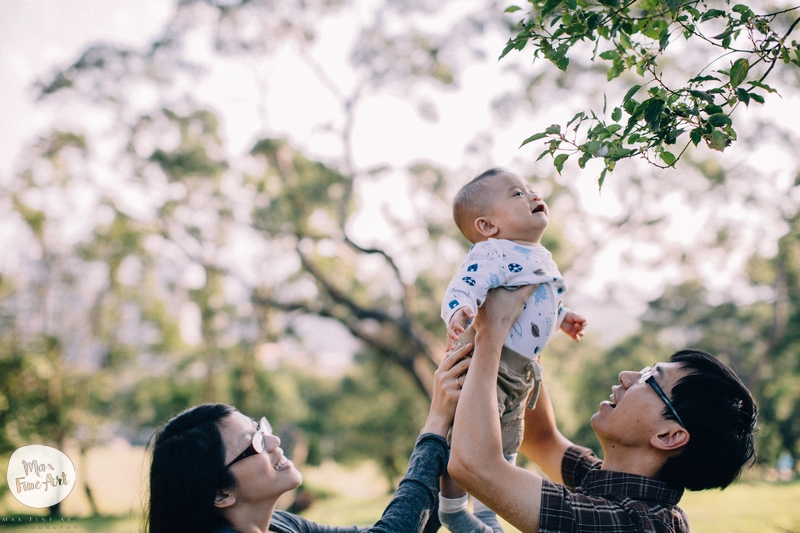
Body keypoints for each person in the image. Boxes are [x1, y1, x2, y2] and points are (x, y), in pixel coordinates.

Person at [448, 286, 758, 533]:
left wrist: (491, 330)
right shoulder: (616, 484)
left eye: (650, 378)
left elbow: (475, 466)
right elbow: (539, 438)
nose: (627, 376)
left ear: (669, 436)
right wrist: (529, 336)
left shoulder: (630, 525)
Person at [146, 343, 473, 533]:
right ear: (220, 492)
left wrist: (450, 449)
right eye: (254, 442)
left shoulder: (277, 526)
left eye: (261, 428)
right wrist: (438, 421)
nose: (272, 442)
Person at [438, 168, 586, 533]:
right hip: (494, 365)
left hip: (522, 371)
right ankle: (453, 509)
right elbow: (463, 286)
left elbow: (541, 299)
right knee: (469, 435)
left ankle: (489, 510)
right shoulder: (492, 252)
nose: (533, 195)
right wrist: (460, 310)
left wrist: (562, 318)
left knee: (508, 434)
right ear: (488, 226)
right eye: (517, 194)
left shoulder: (537, 255)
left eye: (530, 189)